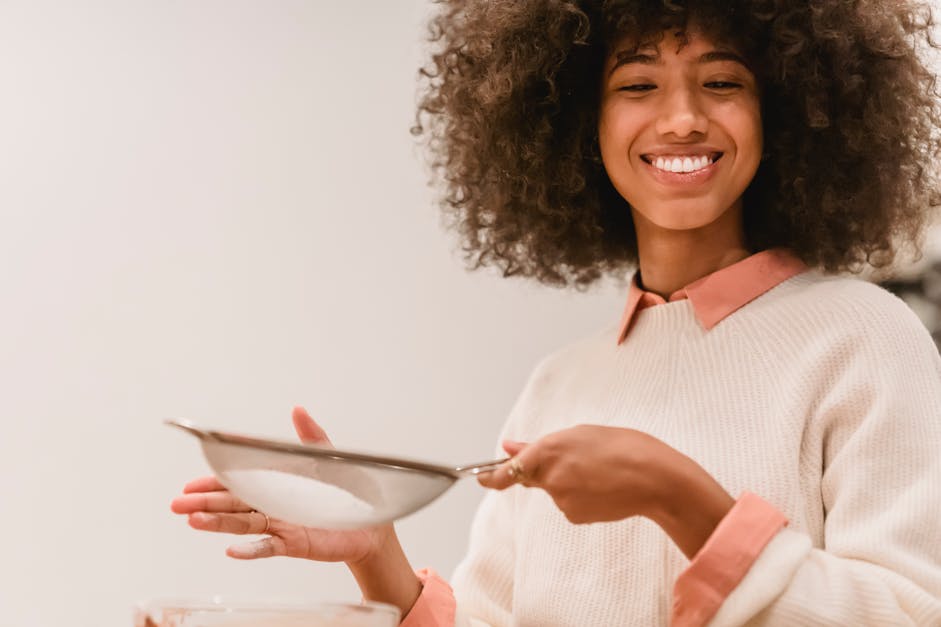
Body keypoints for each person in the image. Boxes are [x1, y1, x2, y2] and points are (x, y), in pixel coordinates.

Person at [171, 1, 941, 625]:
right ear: (581, 125)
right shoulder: (561, 382)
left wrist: (679, 496)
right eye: (637, 85)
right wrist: (378, 557)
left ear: (786, 111)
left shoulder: (862, 337)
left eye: (722, 83)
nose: (680, 119)